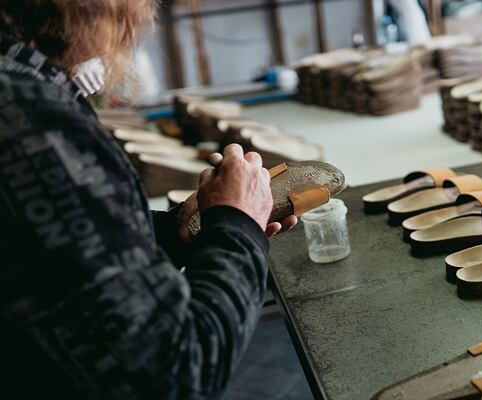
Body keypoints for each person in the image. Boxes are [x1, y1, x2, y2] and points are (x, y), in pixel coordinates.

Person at [0, 1, 296, 398]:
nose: (142, 15)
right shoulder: (31, 119)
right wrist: (238, 228)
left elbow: (49, 261)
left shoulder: (20, 84)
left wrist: (171, 232)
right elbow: (177, 372)